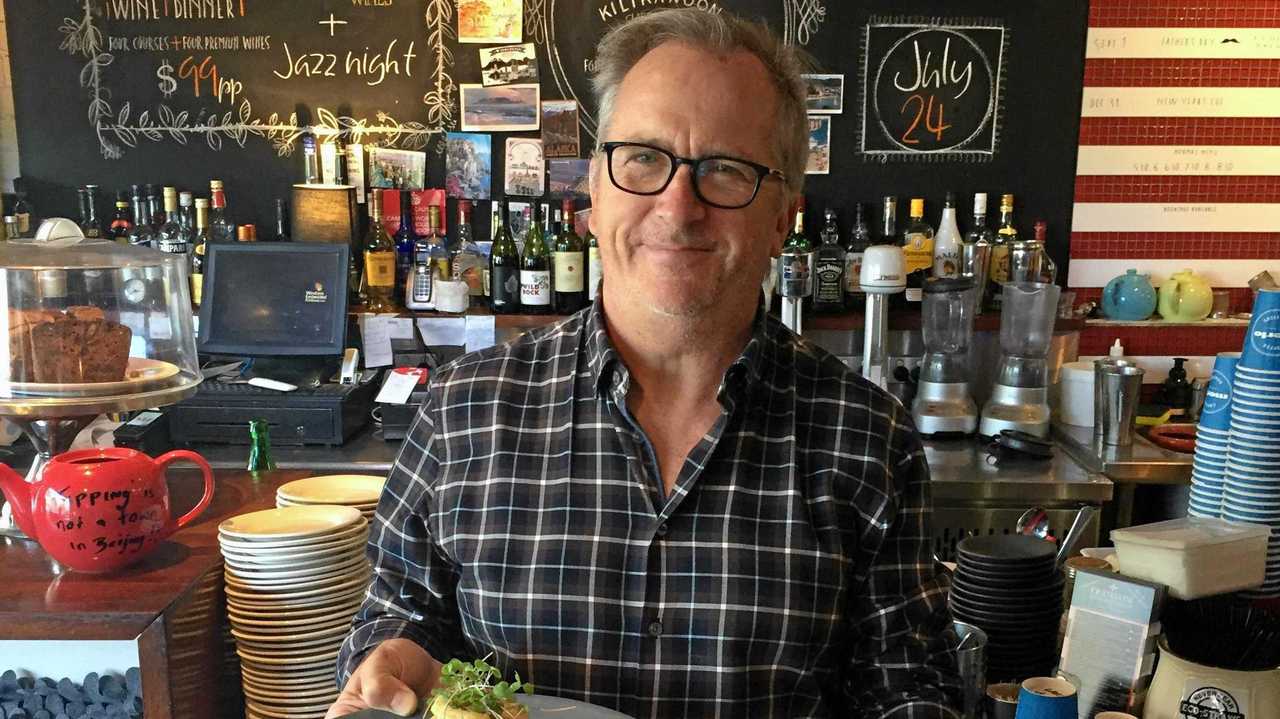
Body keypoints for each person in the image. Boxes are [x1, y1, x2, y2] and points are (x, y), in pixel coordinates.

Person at [328, 8, 960, 718]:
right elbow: (397, 612)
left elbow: (909, 685)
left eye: (725, 169)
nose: (677, 204)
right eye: (643, 159)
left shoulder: (868, 437)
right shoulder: (461, 412)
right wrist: (394, 656)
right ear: (593, 192)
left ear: (784, 215)